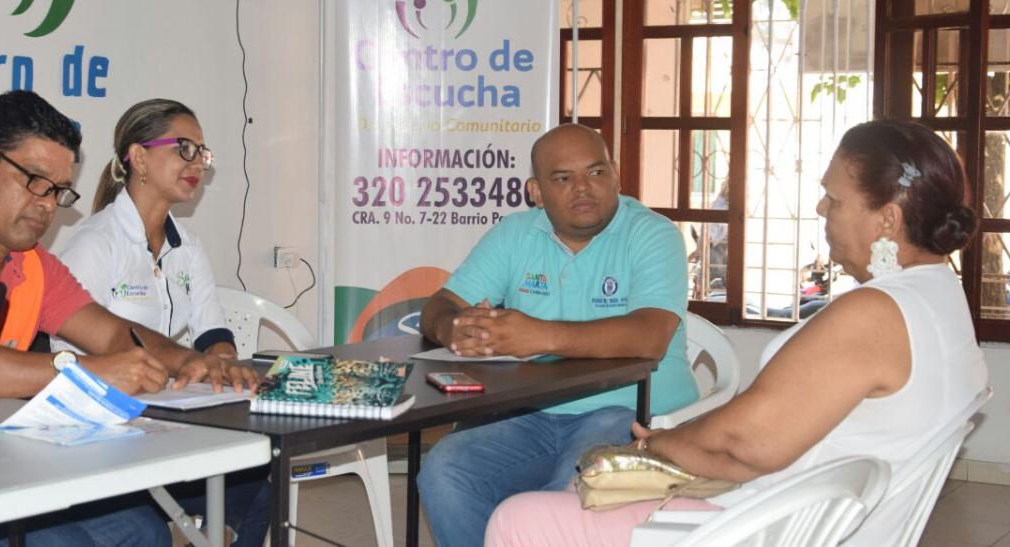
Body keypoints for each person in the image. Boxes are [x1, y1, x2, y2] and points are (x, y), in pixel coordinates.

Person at [485, 120, 988, 547]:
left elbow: (743, 445)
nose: (820, 210)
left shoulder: (873, 314)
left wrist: (652, 448)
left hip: (768, 527)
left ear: (887, 220)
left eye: (833, 198)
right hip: (818, 516)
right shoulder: (939, 293)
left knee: (519, 517)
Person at [0, 90, 251, 546]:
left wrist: (184, 361)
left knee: (143, 533)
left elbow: (112, 331)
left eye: (58, 191)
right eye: (36, 181)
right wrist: (85, 372)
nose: (46, 204)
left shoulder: (34, 264)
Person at [416, 123, 699, 547]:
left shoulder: (652, 234)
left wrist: (538, 336)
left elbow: (649, 336)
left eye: (596, 172)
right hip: (530, 411)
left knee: (559, 499)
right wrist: (452, 327)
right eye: (563, 178)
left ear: (617, 175)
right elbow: (440, 305)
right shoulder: (515, 234)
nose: (583, 188)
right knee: (443, 468)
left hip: (630, 413)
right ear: (535, 191)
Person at [54, 98, 270, 547]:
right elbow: (62, 350)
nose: (198, 164)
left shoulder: (187, 246)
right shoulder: (95, 244)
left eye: (203, 154)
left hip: (169, 423)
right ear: (138, 158)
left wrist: (225, 364)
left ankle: (217, 535)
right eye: (184, 149)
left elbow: (213, 335)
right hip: (108, 433)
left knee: (265, 464)